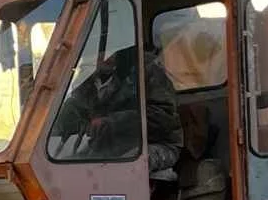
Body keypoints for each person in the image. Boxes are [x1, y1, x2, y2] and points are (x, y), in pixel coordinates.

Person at [51, 44, 182, 179]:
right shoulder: (88, 79)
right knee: (65, 170)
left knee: (125, 169)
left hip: (155, 143)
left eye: (110, 48)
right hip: (108, 146)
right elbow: (73, 111)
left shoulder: (145, 67)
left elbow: (164, 116)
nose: (106, 56)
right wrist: (54, 124)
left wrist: (112, 122)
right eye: (100, 50)